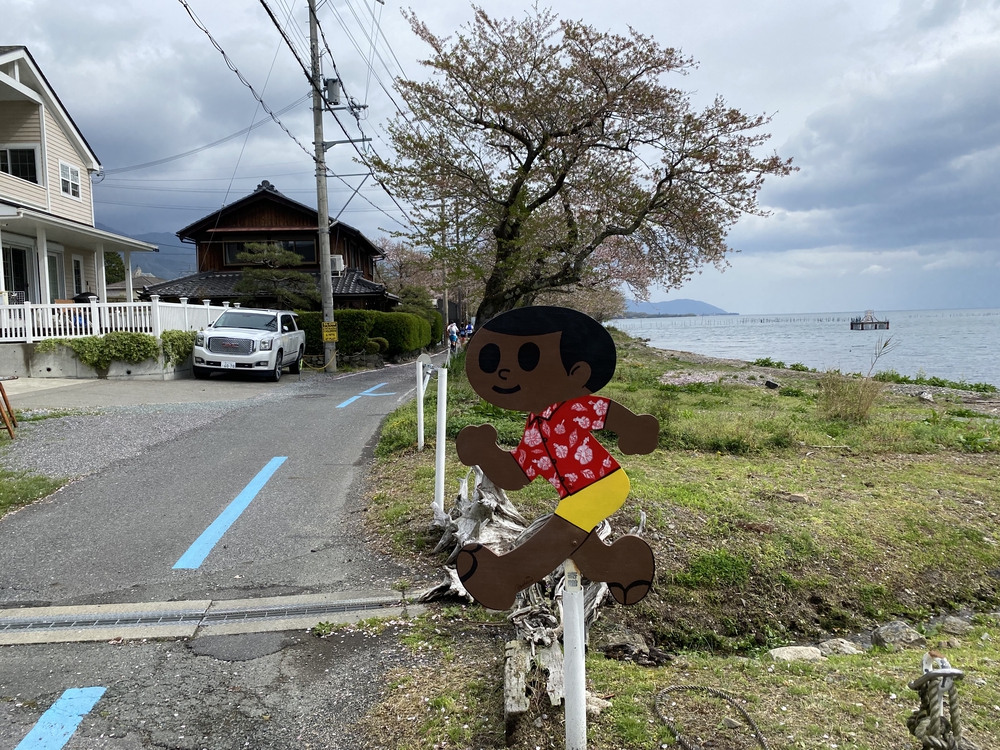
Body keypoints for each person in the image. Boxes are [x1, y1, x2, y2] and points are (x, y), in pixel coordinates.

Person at [455, 306, 659, 610]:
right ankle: (621, 567)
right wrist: (485, 454)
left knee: (561, 532)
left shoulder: (572, 409)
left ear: (577, 374)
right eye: (494, 359)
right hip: (576, 494)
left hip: (603, 484)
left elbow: (604, 412)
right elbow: (519, 474)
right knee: (573, 537)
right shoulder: (535, 428)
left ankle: (508, 575)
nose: (505, 371)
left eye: (529, 359)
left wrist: (636, 429)